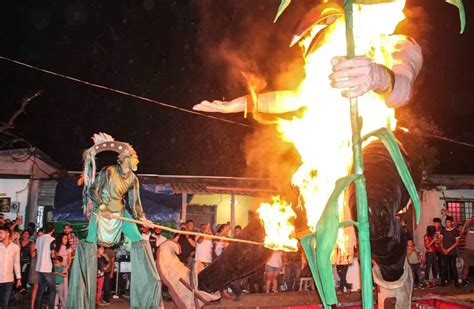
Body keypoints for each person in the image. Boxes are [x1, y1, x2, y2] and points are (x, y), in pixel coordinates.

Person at [69, 133, 161, 308]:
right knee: (89, 243)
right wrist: (102, 207)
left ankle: (149, 293)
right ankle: (80, 297)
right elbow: (92, 191)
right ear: (126, 158)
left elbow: (135, 204)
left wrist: (143, 219)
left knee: (138, 241)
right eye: (136, 158)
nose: (138, 162)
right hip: (102, 213)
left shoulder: (134, 179)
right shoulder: (109, 171)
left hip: (120, 213)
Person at [35, 222, 56, 309]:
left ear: (44, 230)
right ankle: (50, 307)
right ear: (53, 230)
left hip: (39, 267)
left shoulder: (39, 239)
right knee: (52, 290)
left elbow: (37, 251)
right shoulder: (52, 239)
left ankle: (37, 307)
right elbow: (53, 255)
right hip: (47, 267)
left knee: (41, 290)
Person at [0, 225, 22, 309]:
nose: (0, 235)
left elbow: (16, 263)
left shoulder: (15, 247)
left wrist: (19, 278)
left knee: (5, 304)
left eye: (1, 233)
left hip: (9, 280)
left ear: (8, 234)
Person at [441, 216, 460, 286]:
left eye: (448, 222)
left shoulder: (455, 231)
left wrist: (448, 249)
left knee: (453, 266)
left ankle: (456, 282)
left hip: (452, 252)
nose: (447, 224)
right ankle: (443, 282)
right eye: (446, 222)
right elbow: (441, 241)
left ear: (452, 222)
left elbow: (457, 242)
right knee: (444, 266)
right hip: (444, 252)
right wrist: (443, 249)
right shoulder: (443, 230)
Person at [55, 233, 72, 307]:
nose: (66, 240)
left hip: (64, 267)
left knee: (65, 286)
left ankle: (64, 304)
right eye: (64, 238)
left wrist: (67, 267)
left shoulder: (68, 248)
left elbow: (70, 259)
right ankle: (56, 303)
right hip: (57, 267)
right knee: (57, 285)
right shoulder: (57, 247)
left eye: (66, 238)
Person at [29, 228, 43, 309]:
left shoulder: (45, 243)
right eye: (39, 235)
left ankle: (38, 304)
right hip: (35, 266)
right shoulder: (33, 244)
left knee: (41, 286)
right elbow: (32, 255)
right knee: (35, 286)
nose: (40, 237)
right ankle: (32, 305)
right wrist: (38, 247)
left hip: (42, 266)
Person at [19, 230, 33, 295]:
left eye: (27, 234)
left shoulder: (31, 243)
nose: (25, 235)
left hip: (27, 262)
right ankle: (19, 288)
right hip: (19, 262)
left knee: (24, 276)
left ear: (29, 236)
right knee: (19, 276)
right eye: (24, 234)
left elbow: (32, 254)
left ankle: (23, 289)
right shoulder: (19, 242)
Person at [461, 217, 474, 285]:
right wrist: (465, 224)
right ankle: (464, 280)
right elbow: (461, 233)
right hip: (468, 249)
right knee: (466, 266)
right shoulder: (468, 227)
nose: (472, 220)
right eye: (471, 219)